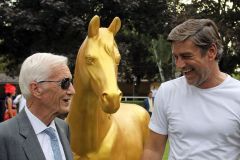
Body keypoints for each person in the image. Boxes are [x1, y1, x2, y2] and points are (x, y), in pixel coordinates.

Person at [141, 19, 240, 160]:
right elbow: (153, 150)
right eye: (176, 57)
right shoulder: (167, 91)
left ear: (211, 52)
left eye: (186, 56)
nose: (179, 64)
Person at [0, 53, 75, 160]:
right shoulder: (3, 136)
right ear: (36, 89)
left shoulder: (64, 127)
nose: (72, 91)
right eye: (65, 83)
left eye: (70, 82)